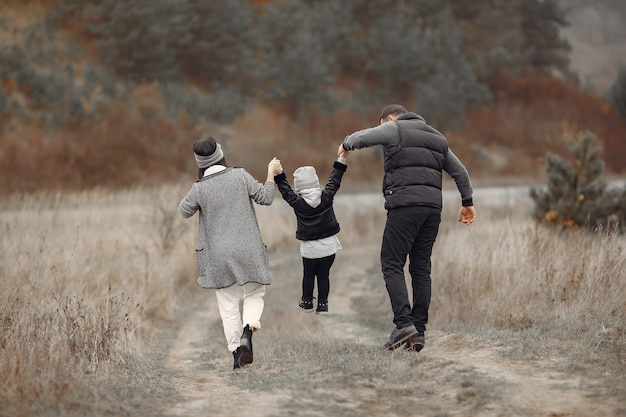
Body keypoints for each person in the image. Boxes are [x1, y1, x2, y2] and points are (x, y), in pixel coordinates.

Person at [339, 104, 476, 352]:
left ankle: (403, 325)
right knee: (421, 268)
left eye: (384, 124)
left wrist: (346, 143)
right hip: (432, 210)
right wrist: (467, 203)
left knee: (391, 263)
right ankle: (419, 332)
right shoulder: (437, 137)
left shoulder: (394, 129)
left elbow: (362, 137)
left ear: (390, 119)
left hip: (404, 206)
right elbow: (461, 173)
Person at [179, 137, 283, 369]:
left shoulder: (199, 188)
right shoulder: (240, 176)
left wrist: (200, 196)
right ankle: (249, 328)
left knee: (227, 305)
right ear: (220, 154)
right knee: (255, 292)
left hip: (218, 255)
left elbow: (184, 211)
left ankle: (237, 353)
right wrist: (270, 173)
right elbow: (266, 198)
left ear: (200, 161)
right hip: (248, 248)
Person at [274, 151, 348, 315]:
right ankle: (323, 304)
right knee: (324, 276)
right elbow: (335, 180)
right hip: (329, 247)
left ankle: (307, 302)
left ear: (299, 186)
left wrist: (278, 173)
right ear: (315, 181)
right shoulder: (327, 196)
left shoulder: (297, 202)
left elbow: (285, 190)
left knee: (308, 275)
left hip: (310, 249)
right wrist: (341, 159)